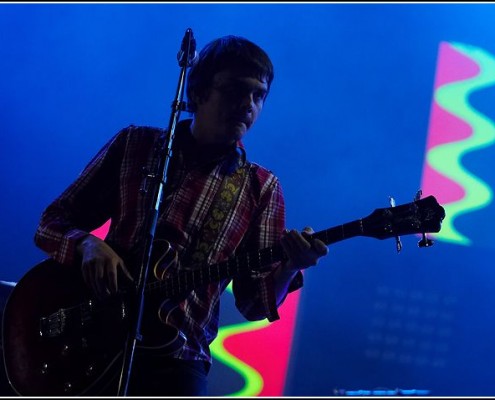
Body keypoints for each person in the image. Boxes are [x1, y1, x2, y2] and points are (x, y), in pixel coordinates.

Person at [34, 34, 329, 396]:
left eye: (258, 95)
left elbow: (254, 302)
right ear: (199, 92)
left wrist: (290, 266)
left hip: (178, 358)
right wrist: (87, 246)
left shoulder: (261, 188)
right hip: (91, 336)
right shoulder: (136, 145)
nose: (247, 105)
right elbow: (51, 222)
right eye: (237, 90)